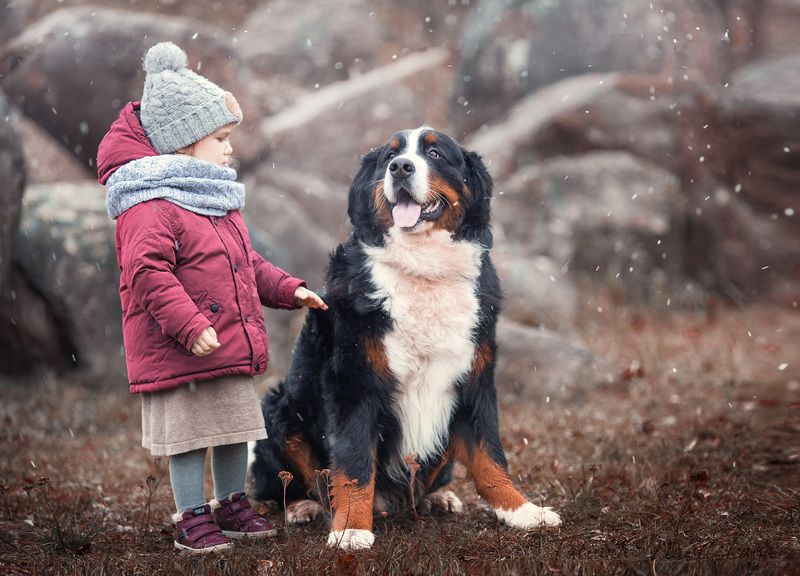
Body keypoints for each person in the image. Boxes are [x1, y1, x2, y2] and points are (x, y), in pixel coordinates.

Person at [96, 42, 327, 554]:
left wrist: (290, 289)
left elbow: (248, 264)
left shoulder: (214, 201)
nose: (230, 150)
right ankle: (190, 514)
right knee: (187, 439)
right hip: (182, 349)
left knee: (232, 429)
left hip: (223, 347)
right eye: (220, 138)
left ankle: (231, 503)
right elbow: (147, 272)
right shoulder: (150, 204)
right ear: (182, 144)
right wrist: (188, 324)